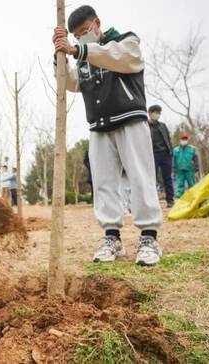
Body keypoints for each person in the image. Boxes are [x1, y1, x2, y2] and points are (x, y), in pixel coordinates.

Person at [53, 5, 163, 265]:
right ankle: (112, 237)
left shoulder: (125, 41)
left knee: (140, 176)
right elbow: (70, 82)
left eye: (84, 31)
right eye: (76, 36)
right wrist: (60, 54)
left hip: (130, 120)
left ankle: (149, 238)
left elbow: (120, 57)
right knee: (103, 183)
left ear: (97, 24)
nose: (80, 38)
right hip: (99, 126)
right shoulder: (82, 56)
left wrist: (79, 50)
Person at [147, 105, 175, 207]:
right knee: (151, 178)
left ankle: (170, 200)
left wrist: (170, 151)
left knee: (168, 178)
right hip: (152, 155)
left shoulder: (163, 125)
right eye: (155, 112)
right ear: (150, 113)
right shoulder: (145, 126)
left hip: (165, 155)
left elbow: (168, 139)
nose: (157, 114)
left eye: (159, 112)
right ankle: (152, 201)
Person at [173, 133, 198, 198]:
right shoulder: (176, 150)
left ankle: (192, 198)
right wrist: (173, 170)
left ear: (187, 140)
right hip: (180, 170)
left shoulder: (192, 149)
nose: (184, 140)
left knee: (192, 185)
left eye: (185, 139)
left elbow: (196, 160)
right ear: (180, 140)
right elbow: (173, 161)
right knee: (180, 185)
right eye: (183, 139)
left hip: (189, 170)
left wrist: (196, 169)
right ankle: (179, 199)